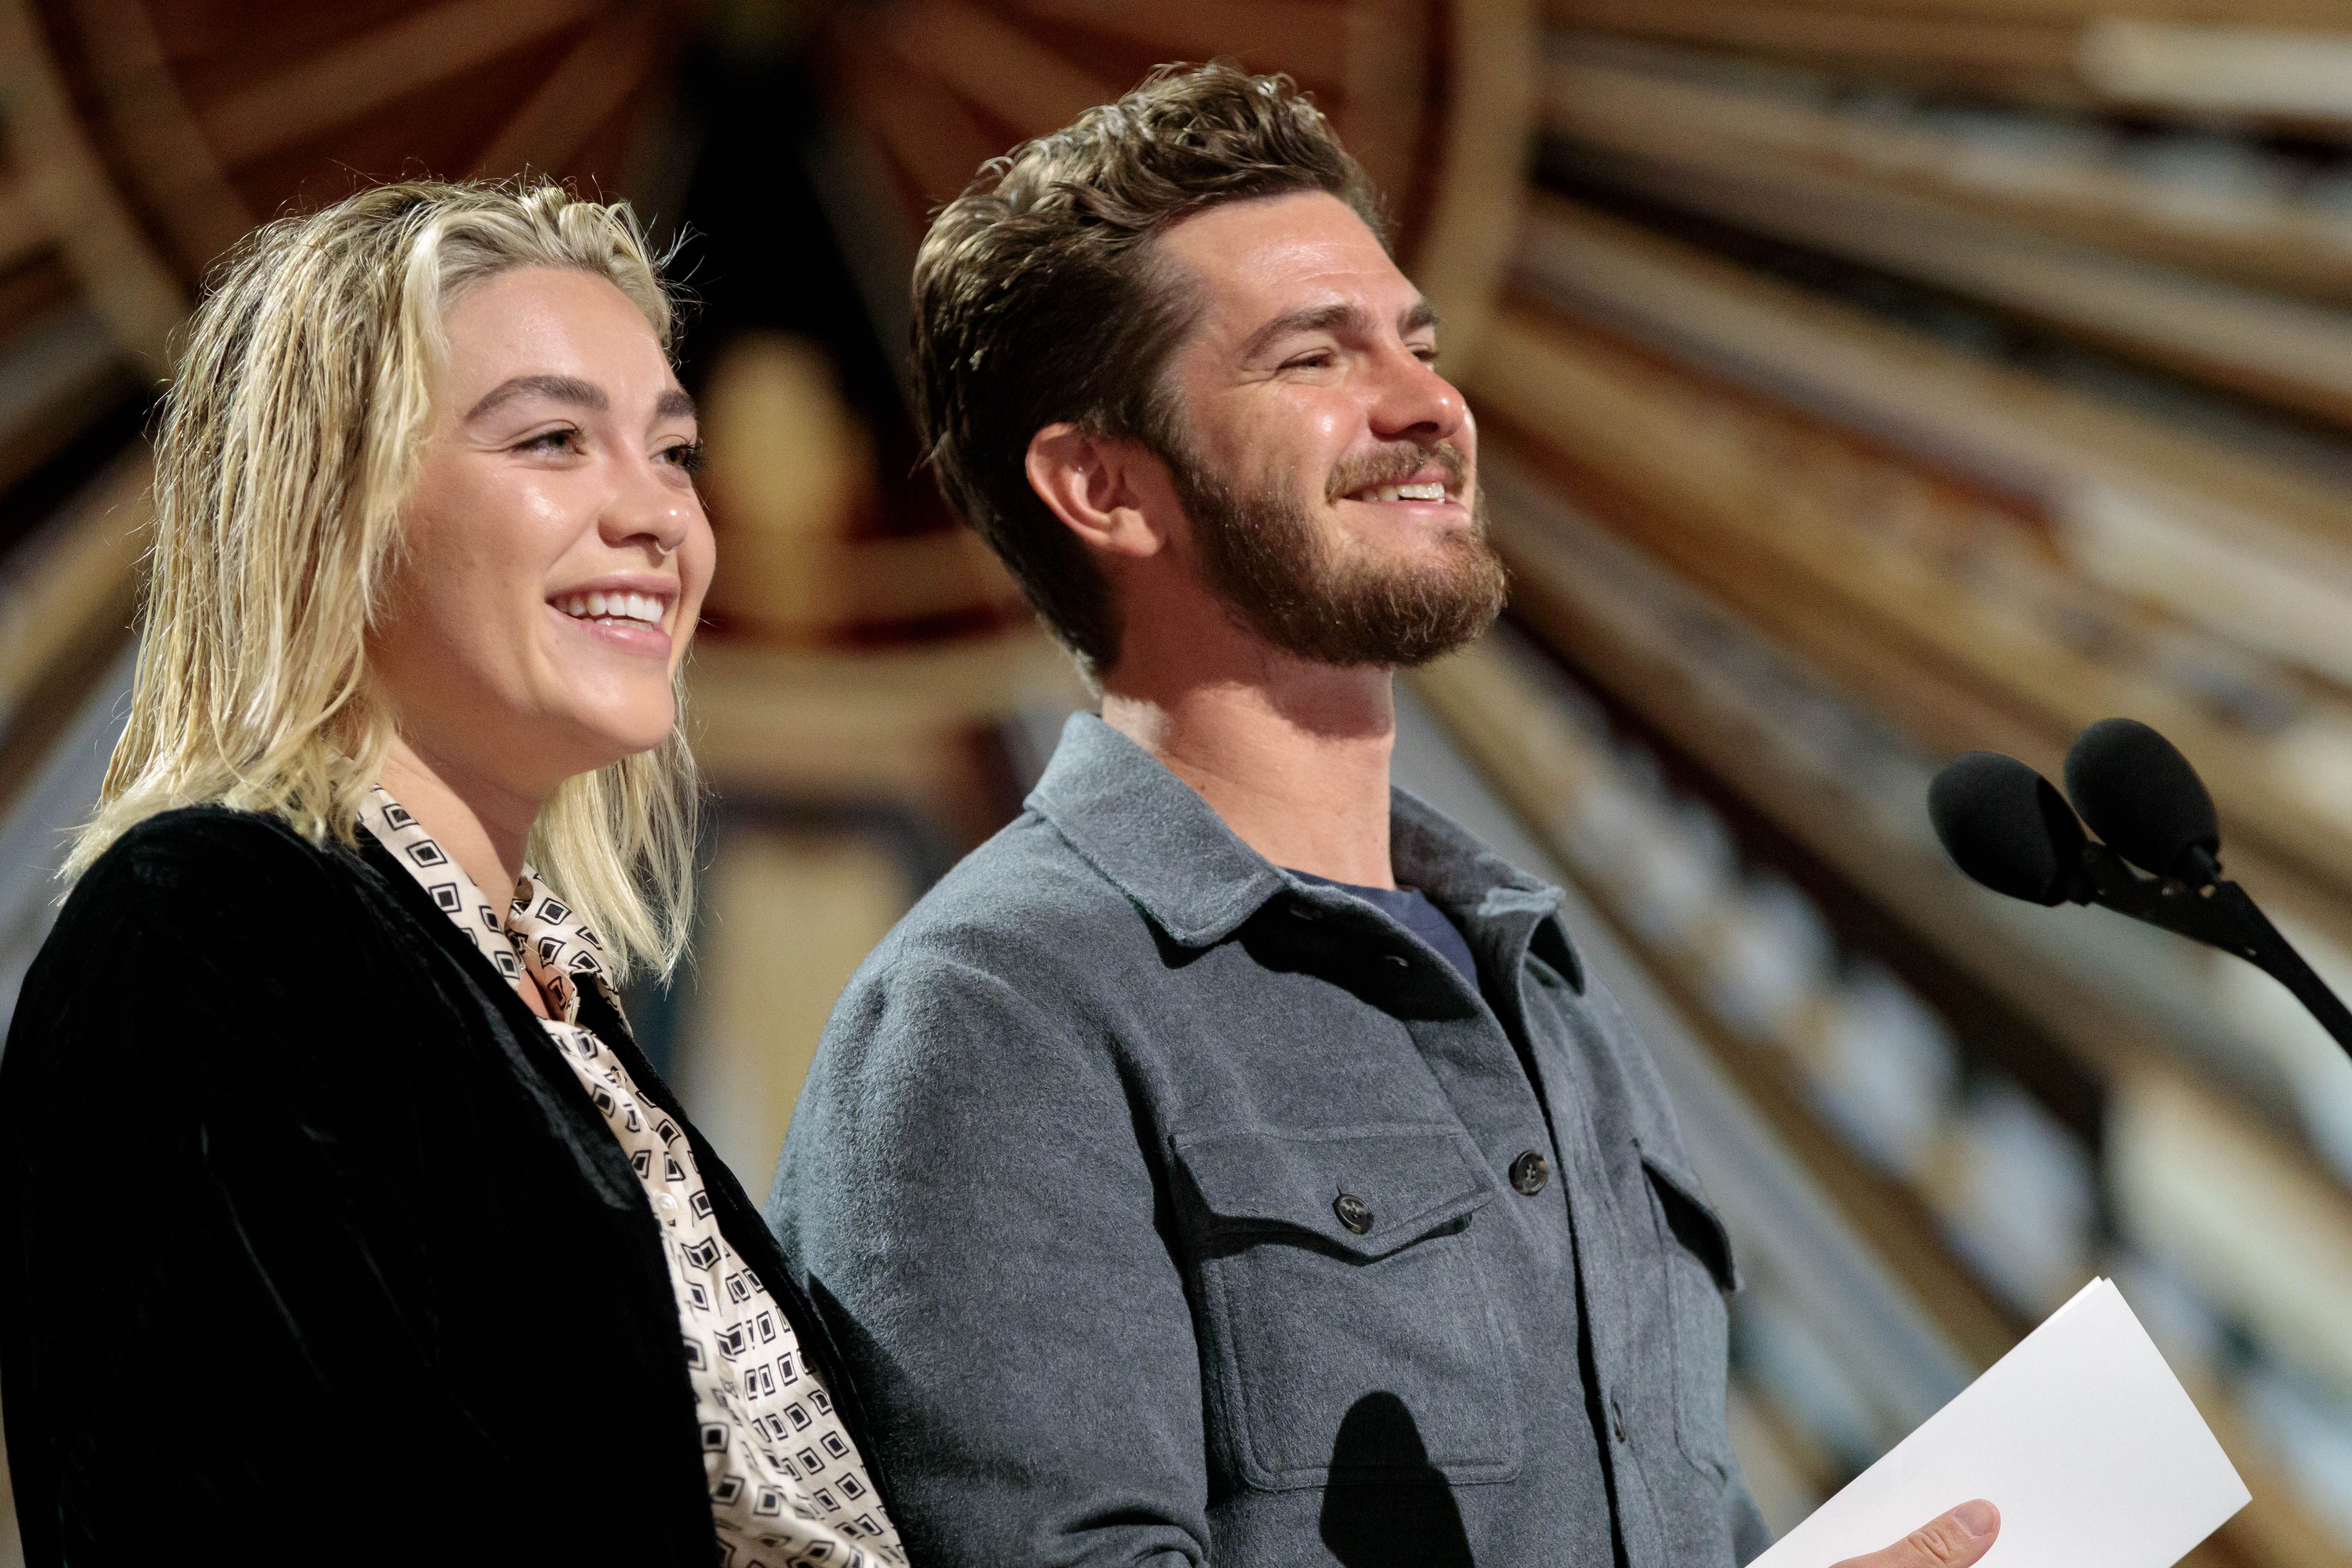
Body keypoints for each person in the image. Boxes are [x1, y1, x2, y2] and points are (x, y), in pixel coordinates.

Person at [765, 64, 2000, 1568]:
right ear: (1102, 484)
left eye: (1415, 341)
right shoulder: (997, 1016)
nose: (1425, 401)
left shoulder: (1542, 999)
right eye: (1314, 358)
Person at [0, 182, 903, 1568]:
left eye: (672, 452)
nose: (659, 514)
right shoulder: (205, 934)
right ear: (335, 506)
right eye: (554, 440)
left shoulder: (539, 991)